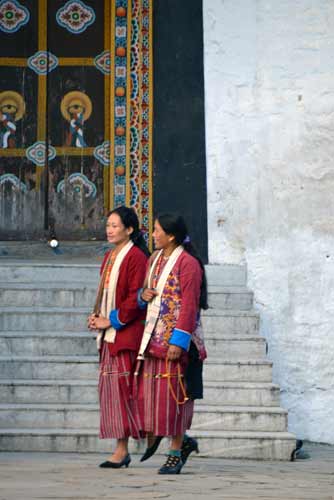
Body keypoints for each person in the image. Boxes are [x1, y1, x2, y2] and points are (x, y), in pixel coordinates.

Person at [134, 213, 208, 474]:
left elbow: (189, 304)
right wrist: (143, 296)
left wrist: (179, 340)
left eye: (156, 231)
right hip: (153, 340)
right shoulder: (154, 260)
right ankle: (182, 442)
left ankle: (176, 452)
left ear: (171, 235)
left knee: (176, 399)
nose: (152, 235)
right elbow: (144, 293)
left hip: (178, 344)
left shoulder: (188, 264)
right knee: (155, 399)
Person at [88, 206, 149, 468]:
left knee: (125, 393)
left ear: (130, 229)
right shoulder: (110, 256)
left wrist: (110, 320)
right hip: (109, 338)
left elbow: (135, 299)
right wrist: (96, 317)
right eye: (108, 225)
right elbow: (105, 293)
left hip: (126, 335)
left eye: (115, 225)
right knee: (113, 394)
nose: (109, 230)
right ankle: (121, 449)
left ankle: (172, 439)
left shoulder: (136, 257)